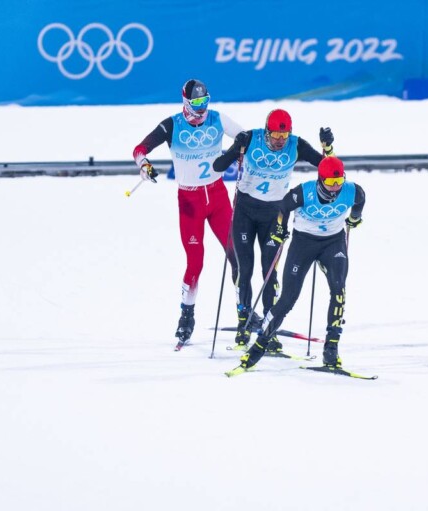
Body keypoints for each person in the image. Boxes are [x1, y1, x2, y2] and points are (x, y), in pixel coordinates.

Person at [132, 79, 243, 346]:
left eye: (205, 102)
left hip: (217, 197)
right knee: (195, 263)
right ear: (185, 102)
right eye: (196, 104)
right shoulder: (172, 125)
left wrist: (237, 153)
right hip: (190, 201)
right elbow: (139, 149)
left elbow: (245, 136)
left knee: (237, 255)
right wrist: (144, 165)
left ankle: (245, 311)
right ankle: (186, 316)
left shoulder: (217, 118)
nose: (202, 109)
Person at [212, 109, 335, 349]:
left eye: (284, 135)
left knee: (270, 272)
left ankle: (269, 328)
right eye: (276, 135)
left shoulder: (296, 145)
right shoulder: (250, 139)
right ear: (267, 131)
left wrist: (328, 148)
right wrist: (237, 147)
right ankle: (243, 322)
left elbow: (327, 168)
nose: (280, 140)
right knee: (244, 269)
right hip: (245, 213)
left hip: (275, 216)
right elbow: (218, 166)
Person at [233, 156, 365, 371]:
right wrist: (280, 229)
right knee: (287, 299)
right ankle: (258, 347)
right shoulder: (304, 192)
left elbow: (360, 200)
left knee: (339, 290)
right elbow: (283, 206)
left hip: (333, 243)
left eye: (338, 182)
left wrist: (355, 218)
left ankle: (331, 350)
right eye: (330, 183)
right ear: (320, 179)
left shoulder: (353, 191)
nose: (335, 189)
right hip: (303, 243)